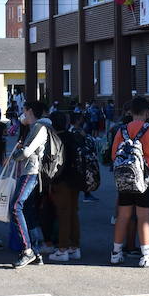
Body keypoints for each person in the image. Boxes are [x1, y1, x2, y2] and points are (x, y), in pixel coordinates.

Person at [109, 98, 149, 267]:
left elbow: (114, 155)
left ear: (131, 112)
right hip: (145, 179)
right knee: (143, 217)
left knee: (123, 216)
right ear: (147, 113)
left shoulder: (122, 130)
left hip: (125, 178)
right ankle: (146, 255)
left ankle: (116, 252)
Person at [6, 100, 53, 268]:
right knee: (27, 210)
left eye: (24, 111)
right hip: (34, 172)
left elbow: (26, 152)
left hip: (30, 171)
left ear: (30, 110)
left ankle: (28, 250)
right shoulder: (43, 126)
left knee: (16, 206)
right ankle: (36, 250)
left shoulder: (38, 127)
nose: (22, 114)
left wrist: (13, 155)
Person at [48, 110, 89, 261]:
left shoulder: (55, 139)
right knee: (73, 212)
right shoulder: (74, 137)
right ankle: (74, 247)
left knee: (63, 214)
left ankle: (62, 249)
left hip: (61, 181)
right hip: (76, 179)